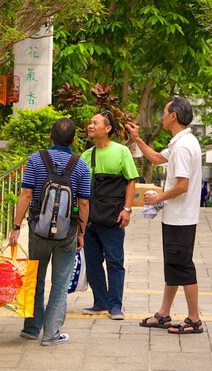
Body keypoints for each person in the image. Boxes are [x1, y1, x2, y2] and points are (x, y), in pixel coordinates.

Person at [126, 96, 205, 335]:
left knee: (183, 267)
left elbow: (182, 185)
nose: (162, 116)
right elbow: (157, 158)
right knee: (173, 266)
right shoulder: (181, 142)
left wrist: (157, 198)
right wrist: (137, 138)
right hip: (177, 217)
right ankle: (163, 314)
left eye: (164, 112)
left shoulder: (182, 146)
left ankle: (194, 320)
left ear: (174, 116)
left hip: (181, 218)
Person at [8, 118, 90, 346]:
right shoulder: (81, 165)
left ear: (50, 137)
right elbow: (83, 203)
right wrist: (82, 232)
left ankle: (32, 329)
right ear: (74, 140)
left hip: (38, 230)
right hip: (67, 233)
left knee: (36, 279)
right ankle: (51, 334)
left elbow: (25, 194)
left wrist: (16, 228)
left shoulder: (36, 159)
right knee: (60, 283)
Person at [80, 111, 139, 321]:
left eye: (95, 122)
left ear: (108, 128)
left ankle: (115, 305)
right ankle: (100, 302)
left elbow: (131, 180)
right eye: (90, 122)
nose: (90, 125)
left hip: (113, 217)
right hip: (90, 219)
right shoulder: (86, 155)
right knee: (93, 261)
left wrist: (127, 209)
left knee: (115, 261)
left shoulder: (122, 151)